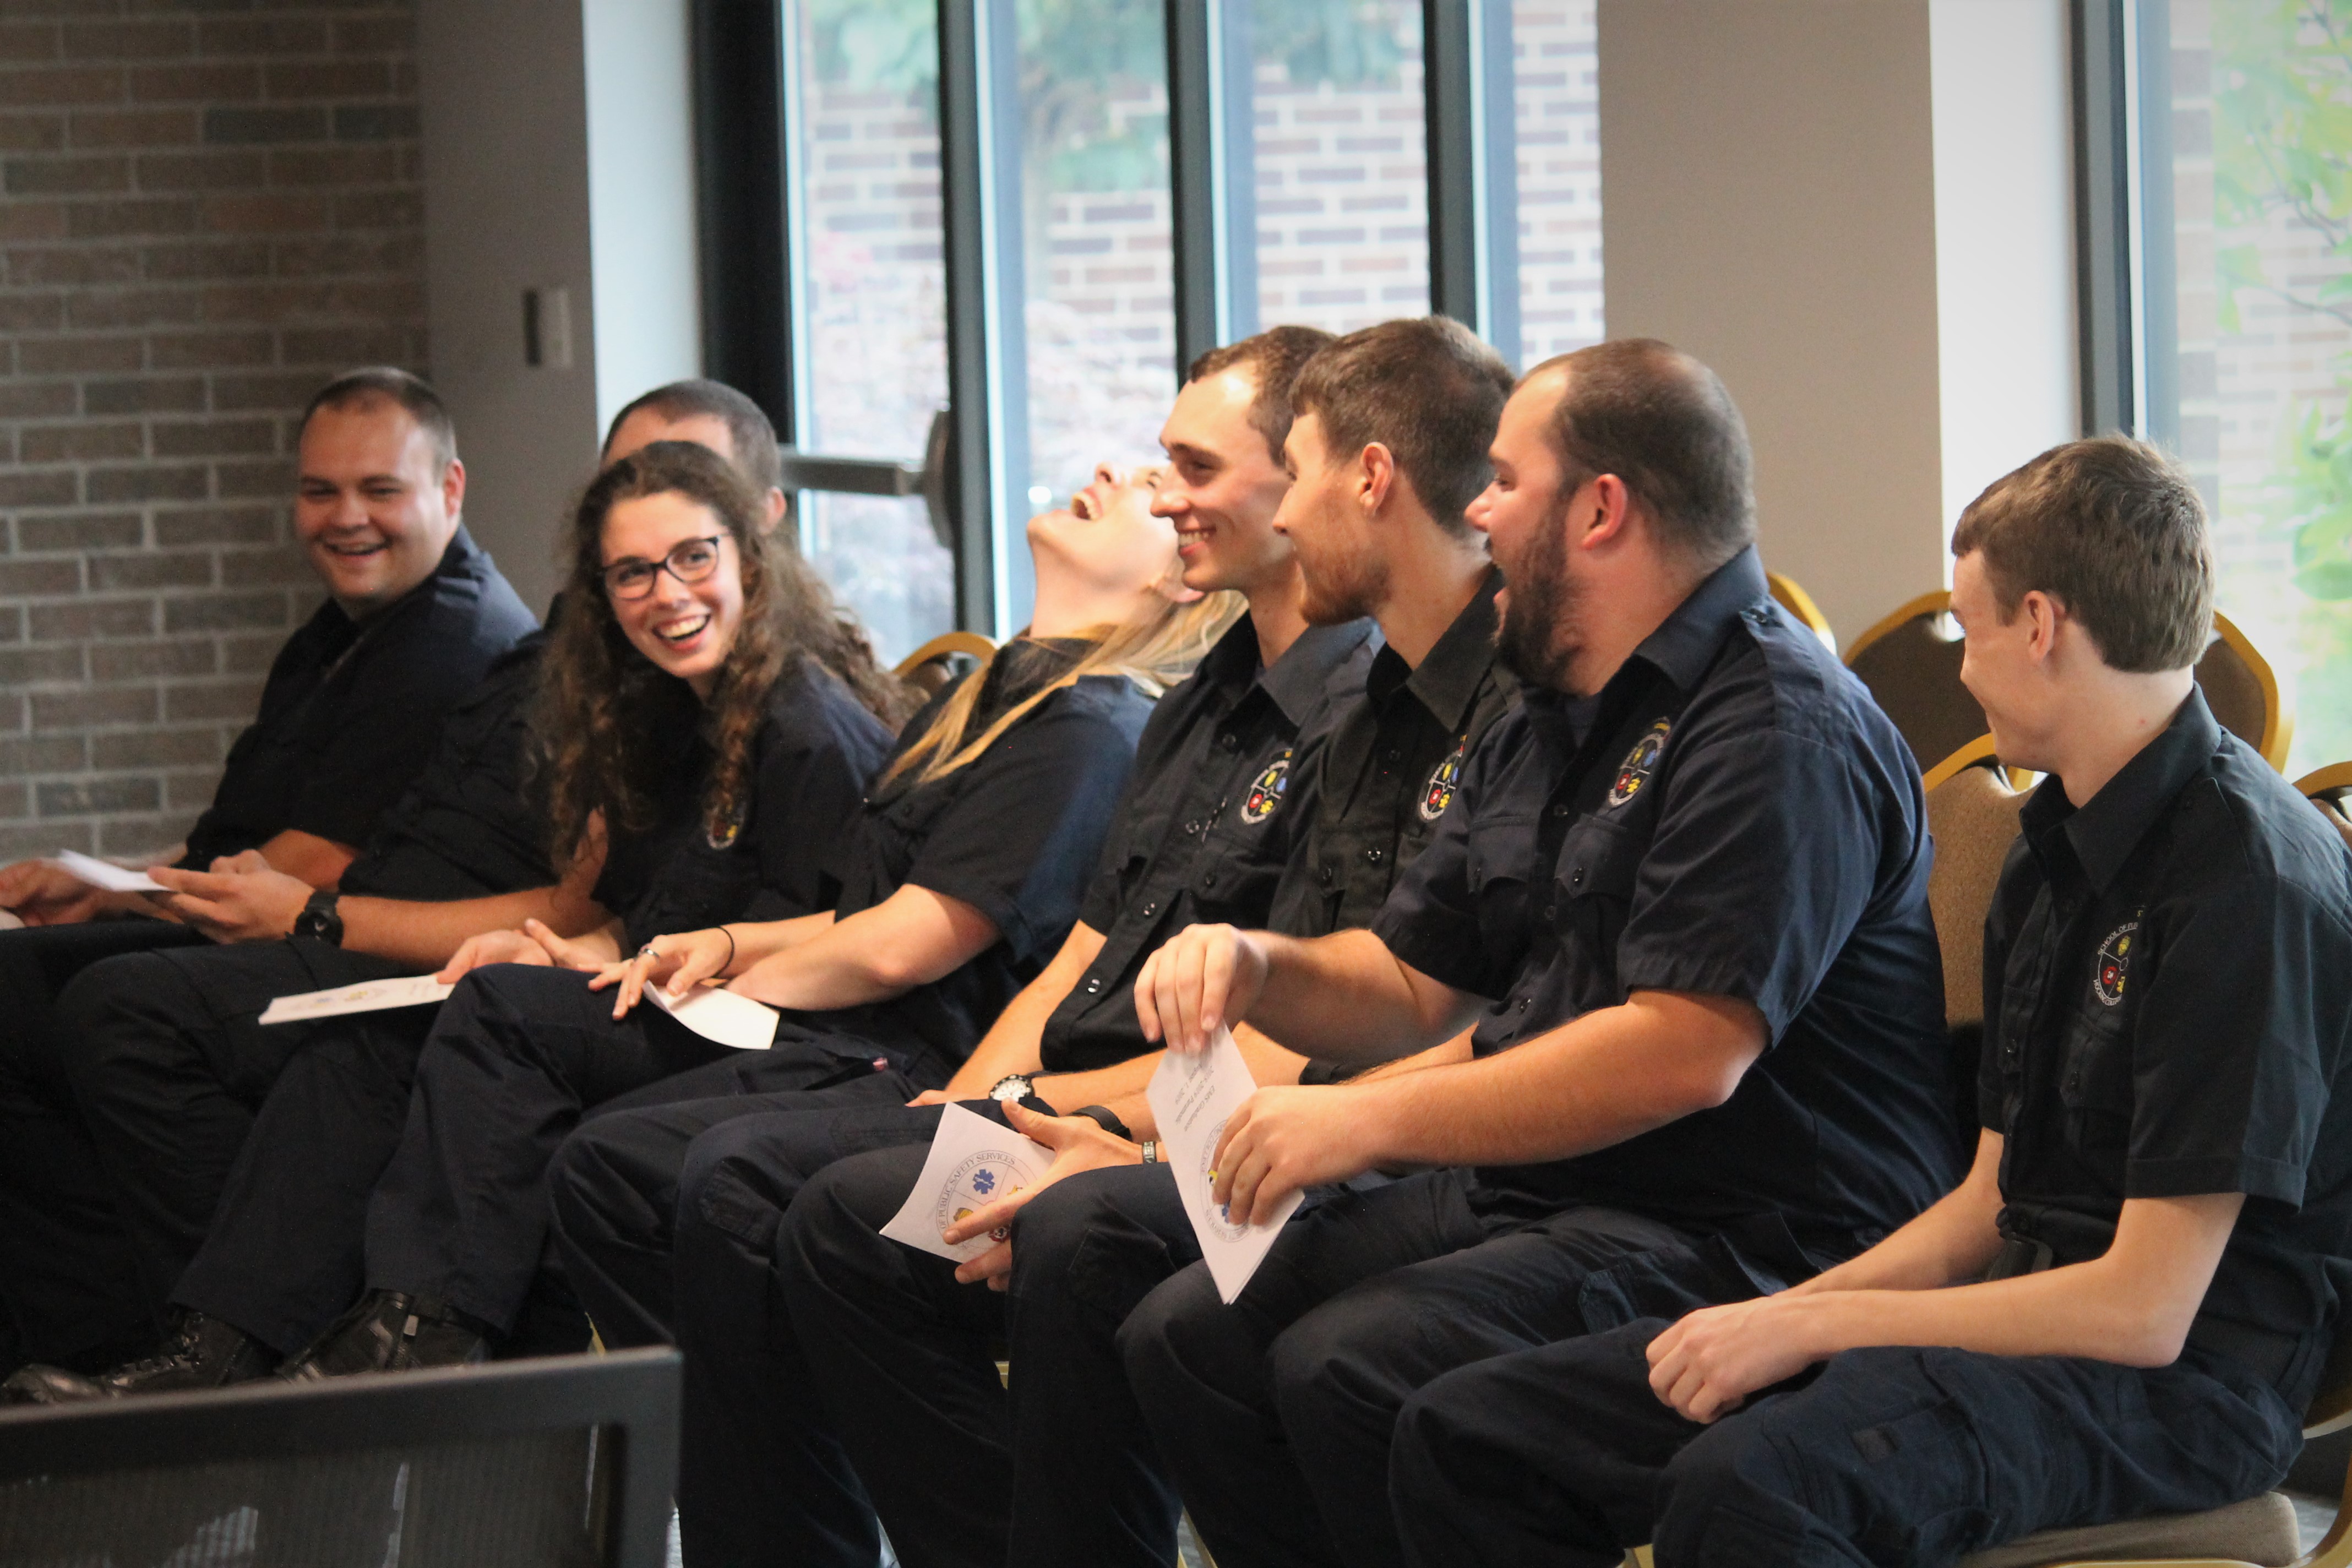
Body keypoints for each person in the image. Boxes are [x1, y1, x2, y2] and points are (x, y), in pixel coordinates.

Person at [921, 337, 1958, 1568]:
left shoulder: (1776, 723)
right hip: (1570, 1185)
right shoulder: (1556, 703)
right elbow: (1414, 983)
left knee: (1339, 1365)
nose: (1474, 507)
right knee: (1178, 1327)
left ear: (1601, 511)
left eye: (1504, 483)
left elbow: (1686, 1054)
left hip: (1744, 1219)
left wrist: (1361, 1125)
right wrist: (1259, 963)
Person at [1385, 437, 2352, 1568]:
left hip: (2184, 1390)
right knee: (1473, 1436)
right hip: (2033, 1316)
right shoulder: (2051, 856)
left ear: (2040, 625)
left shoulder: (2248, 878)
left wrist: (1815, 1319)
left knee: (1748, 1487)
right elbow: (1990, 1198)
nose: (1964, 669)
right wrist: (1783, 1312)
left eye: (1972, 626)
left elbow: (2143, 1309)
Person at [679, 315, 1522, 1568]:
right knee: (763, 1189)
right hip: (1202, 1103)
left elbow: (1376, 1031)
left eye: (1199, 467)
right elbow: (1092, 952)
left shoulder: (1428, 702)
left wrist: (1083, 1118)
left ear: (1355, 479)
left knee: (1035, 1233)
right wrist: (993, 1104)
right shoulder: (1275, 701)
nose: (1169, 496)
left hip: (1342, 1130)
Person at [254, 451, 1232, 1384]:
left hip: (902, 1052)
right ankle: (433, 1359)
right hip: (851, 1028)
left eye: (1154, 481)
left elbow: (907, 945)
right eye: (632, 572)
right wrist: (710, 948)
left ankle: (498, 1376)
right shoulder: (993, 693)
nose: (1110, 477)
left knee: (586, 1124)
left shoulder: (1084, 726)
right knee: (479, 1055)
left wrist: (724, 973)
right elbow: (856, 911)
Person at [2, 438, 900, 1402]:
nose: (667, 593)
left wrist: (644, 968)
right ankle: (223, 1351)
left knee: (469, 1017)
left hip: (782, 1038)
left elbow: (854, 937)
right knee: (379, 1033)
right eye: (632, 573)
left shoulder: (809, 726)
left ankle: (410, 1339)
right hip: (670, 994)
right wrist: (557, 951)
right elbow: (628, 919)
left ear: (748, 557)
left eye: (693, 557)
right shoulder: (670, 724)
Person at [0, 367, 537, 1376]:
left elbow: (302, 871)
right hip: (286, 920)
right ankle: (79, 1331)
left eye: (380, 490)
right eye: (319, 491)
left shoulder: (451, 644)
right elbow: (233, 845)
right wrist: (111, 880)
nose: (346, 519)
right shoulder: (338, 635)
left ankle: (190, 1343)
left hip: (356, 945)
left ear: (451, 491)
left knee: (90, 1005)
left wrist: (125, 891)